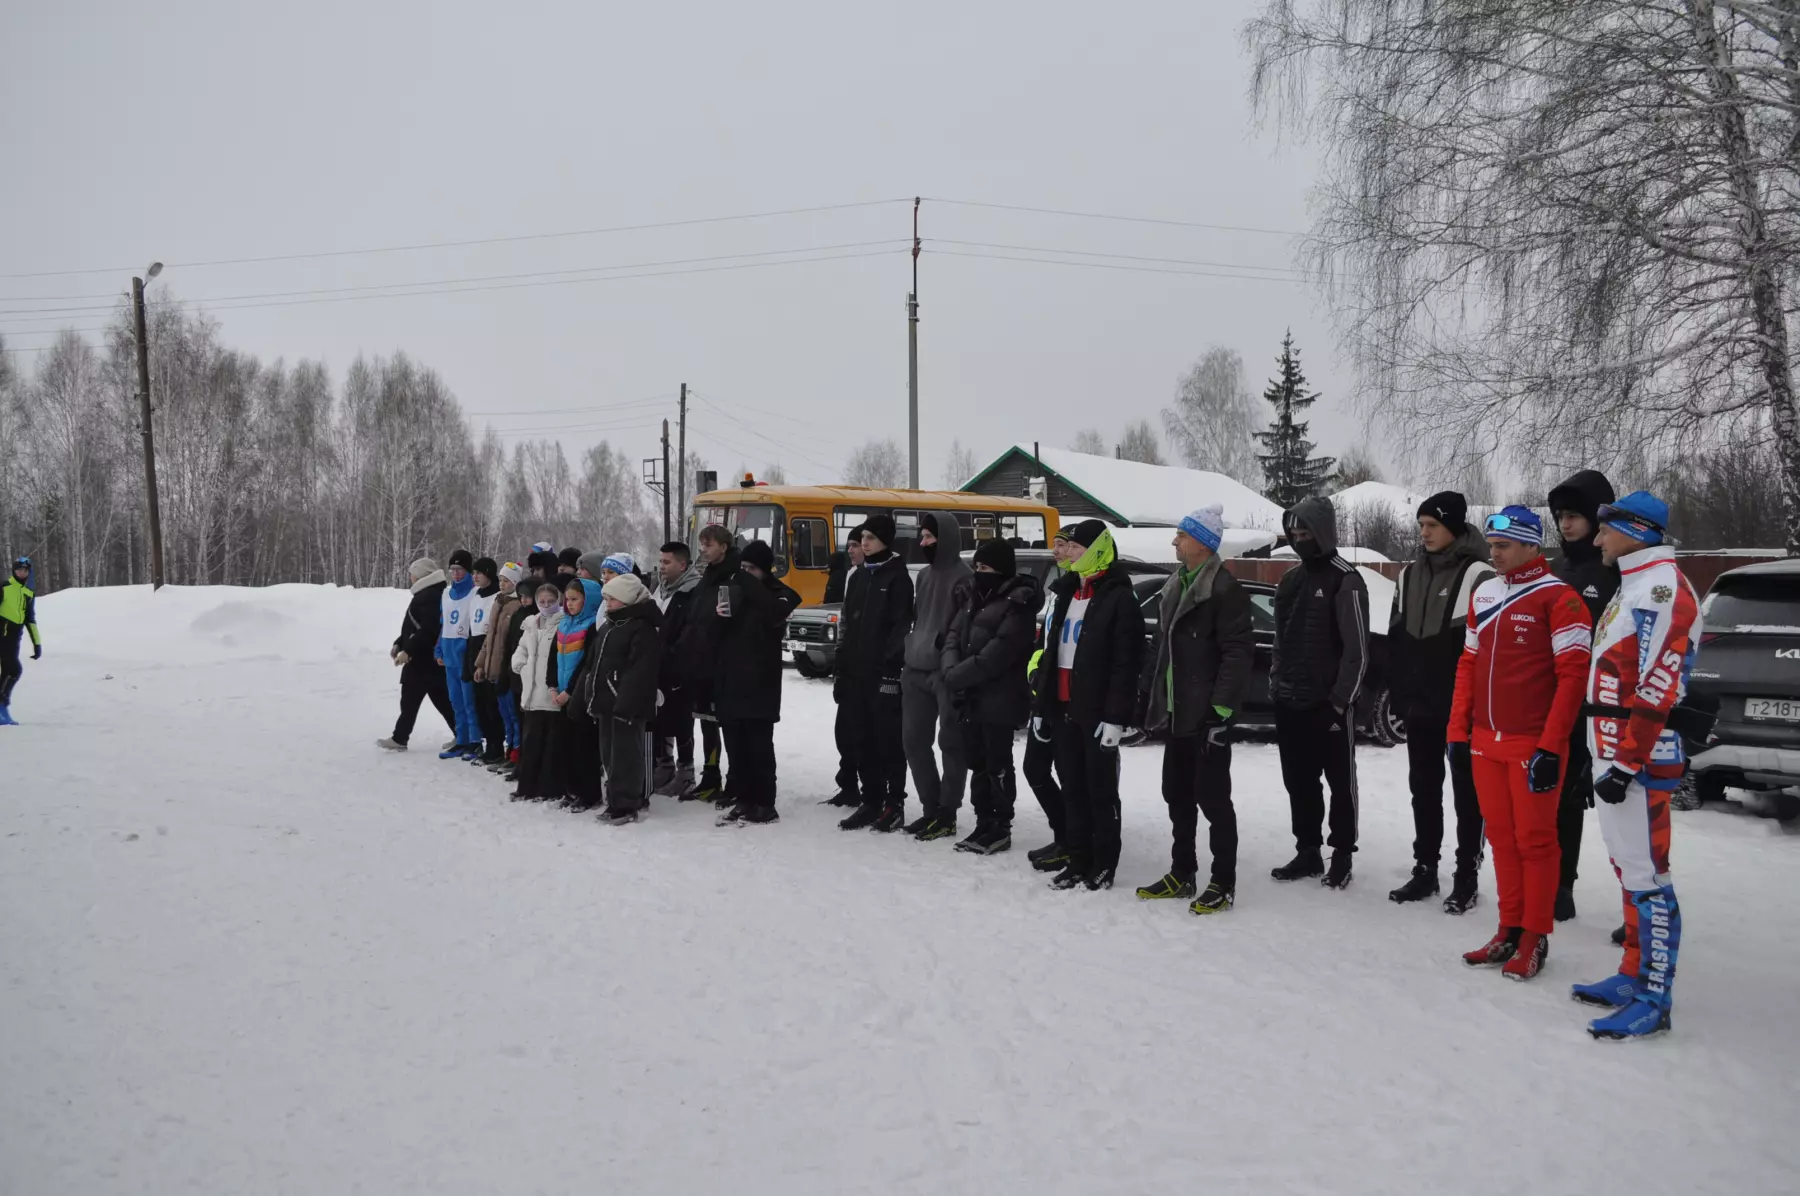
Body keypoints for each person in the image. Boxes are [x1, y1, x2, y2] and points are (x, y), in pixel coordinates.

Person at [1572, 491, 1700, 1040]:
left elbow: (1658, 684)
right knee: (1629, 870)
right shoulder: (1635, 582)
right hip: (1614, 751)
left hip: (1641, 761)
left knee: (1650, 877)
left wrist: (1625, 763)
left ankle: (1655, 997)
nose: (1597, 538)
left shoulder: (1662, 588)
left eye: (1606, 529)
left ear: (1635, 531)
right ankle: (1632, 974)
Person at [1449, 507, 1592, 982]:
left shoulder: (1561, 598)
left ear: (1532, 545)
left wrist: (1551, 747)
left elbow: (1573, 678)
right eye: (1491, 545)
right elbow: (1468, 664)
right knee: (1501, 838)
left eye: (1503, 546)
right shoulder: (1485, 592)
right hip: (1485, 741)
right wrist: (1457, 731)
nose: (1494, 553)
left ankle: (1534, 936)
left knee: (1536, 841)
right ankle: (1508, 929)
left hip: (1532, 744)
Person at [1136, 505, 1254, 913]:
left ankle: (1223, 881)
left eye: (1182, 536)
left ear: (1202, 543)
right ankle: (1182, 872)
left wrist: (1220, 710)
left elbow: (1238, 653)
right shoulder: (1176, 585)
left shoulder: (1223, 589)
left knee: (1214, 800)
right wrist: (1147, 695)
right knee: (1177, 794)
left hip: (1206, 715)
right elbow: (1161, 648)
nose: (1175, 541)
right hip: (1177, 712)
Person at [1386, 492, 1495, 913]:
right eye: (1421, 525)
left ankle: (1466, 875)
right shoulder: (1407, 575)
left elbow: (1489, 650)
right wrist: (1400, 695)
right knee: (1424, 790)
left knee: (1468, 796)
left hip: (1462, 710)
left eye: (1432, 525)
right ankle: (1425, 869)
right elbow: (1396, 640)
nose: (1424, 533)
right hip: (1420, 707)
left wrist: (1475, 707)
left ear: (1453, 526)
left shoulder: (1480, 575)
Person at [1030, 520, 1143, 891]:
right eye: (1072, 547)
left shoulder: (1119, 598)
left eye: (1078, 548)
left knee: (1100, 792)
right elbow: (1051, 653)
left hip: (1096, 711)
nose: (1071, 553)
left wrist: (1115, 718)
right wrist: (1042, 707)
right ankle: (1078, 859)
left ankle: (1104, 863)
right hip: (1063, 708)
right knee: (1073, 788)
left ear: (1097, 550)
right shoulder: (1066, 592)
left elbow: (1126, 664)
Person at [1269, 498, 1369, 890]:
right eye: (1294, 534)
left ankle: (1342, 853)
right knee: (1299, 782)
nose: (1299, 540)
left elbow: (1357, 651)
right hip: (1290, 702)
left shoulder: (1347, 579)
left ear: (1322, 532)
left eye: (1305, 533)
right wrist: (1277, 685)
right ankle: (1308, 849)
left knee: (1341, 783)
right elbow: (1281, 641)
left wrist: (1340, 701)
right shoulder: (1291, 580)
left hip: (1329, 706)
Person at [1547, 470, 1620, 923]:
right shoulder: (1555, 570)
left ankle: (1572, 887)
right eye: (1560, 516)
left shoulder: (1614, 572)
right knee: (1553, 795)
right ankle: (1554, 882)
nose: (1566, 524)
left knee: (1583, 798)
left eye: (1574, 515)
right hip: (1550, 701)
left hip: (1595, 707)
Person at [941, 538, 1041, 854]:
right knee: (977, 761)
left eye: (985, 567)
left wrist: (956, 675)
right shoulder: (973, 596)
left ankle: (1000, 825)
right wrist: (950, 668)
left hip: (1001, 697)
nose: (979, 573)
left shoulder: (1018, 604)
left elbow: (998, 654)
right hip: (970, 695)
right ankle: (983, 820)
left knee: (997, 763)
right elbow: (953, 635)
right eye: (976, 567)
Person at [836, 516, 916, 832]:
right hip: (855, 673)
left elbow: (900, 627)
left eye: (870, 537)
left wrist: (891, 672)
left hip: (882, 675)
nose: (864, 543)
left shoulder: (897, 578)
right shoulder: (858, 576)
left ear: (885, 540)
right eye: (862, 537)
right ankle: (870, 800)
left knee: (888, 741)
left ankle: (894, 803)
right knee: (861, 738)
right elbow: (848, 625)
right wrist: (841, 668)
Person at [714, 539, 802, 824]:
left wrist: (746, 583)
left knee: (759, 745)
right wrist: (719, 617)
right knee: (736, 745)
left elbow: (773, 613)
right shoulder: (736, 592)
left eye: (751, 568)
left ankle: (765, 803)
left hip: (761, 681)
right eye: (742, 568)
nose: (745, 574)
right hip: (732, 678)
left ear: (765, 570)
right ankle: (744, 798)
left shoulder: (780, 594)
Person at [901, 512, 972, 840]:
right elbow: (920, 618)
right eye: (922, 536)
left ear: (946, 539)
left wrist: (951, 666)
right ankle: (930, 808)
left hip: (946, 673)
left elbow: (963, 629)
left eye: (929, 537)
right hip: (915, 668)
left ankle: (947, 812)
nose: (923, 542)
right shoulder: (924, 576)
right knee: (914, 741)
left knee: (951, 744)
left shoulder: (965, 578)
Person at [1023, 526, 1079, 872]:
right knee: (1035, 768)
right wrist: (1035, 674)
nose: (1056, 551)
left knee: (1071, 776)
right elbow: (1044, 646)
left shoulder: (1085, 594)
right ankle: (1065, 835)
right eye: (1055, 544)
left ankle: (1075, 841)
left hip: (1071, 702)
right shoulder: (1058, 592)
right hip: (1046, 696)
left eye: (1063, 545)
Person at [585, 573, 662, 825]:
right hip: (606, 702)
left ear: (627, 599)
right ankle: (615, 799)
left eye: (612, 599)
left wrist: (626, 703)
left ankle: (627, 804)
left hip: (627, 705)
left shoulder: (642, 628)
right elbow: (593, 665)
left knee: (626, 755)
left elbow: (641, 670)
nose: (607, 604)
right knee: (609, 755)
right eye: (606, 599)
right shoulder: (609, 626)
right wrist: (588, 695)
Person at [676, 526, 745, 809]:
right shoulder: (707, 576)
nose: (703, 549)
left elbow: (730, 621)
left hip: (724, 664)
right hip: (701, 662)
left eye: (708, 545)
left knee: (728, 725)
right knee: (706, 721)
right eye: (701, 544)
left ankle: (736, 782)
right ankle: (711, 778)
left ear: (724, 547)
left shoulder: (735, 576)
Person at [378, 558, 455, 750]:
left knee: (418, 699)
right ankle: (462, 734)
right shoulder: (429, 593)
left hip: (423, 658)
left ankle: (400, 738)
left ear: (421, 575)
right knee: (435, 699)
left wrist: (408, 649)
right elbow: (414, 627)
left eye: (412, 573)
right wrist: (399, 643)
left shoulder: (429, 596)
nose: (410, 576)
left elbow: (429, 630)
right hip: (425, 659)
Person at [651, 541, 703, 796]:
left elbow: (692, 632)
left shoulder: (692, 591)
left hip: (681, 668)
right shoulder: (660, 588)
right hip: (658, 664)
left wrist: (673, 654)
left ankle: (686, 771)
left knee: (682, 720)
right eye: (660, 561)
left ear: (682, 565)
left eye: (666, 562)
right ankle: (664, 765)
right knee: (661, 716)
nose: (661, 566)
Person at [509, 582, 569, 801]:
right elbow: (522, 648)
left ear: (558, 601)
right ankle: (527, 787)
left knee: (551, 745)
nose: (546, 605)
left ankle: (548, 788)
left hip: (551, 692)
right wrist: (520, 665)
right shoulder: (531, 623)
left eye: (550, 601)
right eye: (542, 601)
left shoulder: (563, 623)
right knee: (531, 743)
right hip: (532, 692)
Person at [550, 576, 604, 811]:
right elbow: (553, 657)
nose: (569, 604)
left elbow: (586, 664)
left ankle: (589, 794)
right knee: (566, 745)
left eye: (575, 599)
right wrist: (552, 685)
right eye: (567, 599)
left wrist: (570, 691)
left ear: (588, 600)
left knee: (584, 747)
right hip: (561, 695)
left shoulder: (592, 626)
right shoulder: (564, 623)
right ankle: (570, 789)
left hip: (581, 696)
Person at [823, 526, 868, 807]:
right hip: (849, 662)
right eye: (849, 545)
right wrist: (840, 656)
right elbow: (846, 620)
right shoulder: (852, 574)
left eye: (855, 545)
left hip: (867, 666)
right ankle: (848, 784)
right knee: (844, 730)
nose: (850, 550)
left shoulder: (877, 577)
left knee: (863, 732)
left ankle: (870, 789)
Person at [475, 562, 526, 769]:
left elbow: (510, 641)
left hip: (507, 669)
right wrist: (481, 664)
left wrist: (509, 669)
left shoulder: (517, 605)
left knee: (513, 714)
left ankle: (516, 753)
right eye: (501, 580)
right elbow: (490, 637)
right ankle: (506, 751)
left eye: (507, 581)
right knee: (502, 713)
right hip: (493, 668)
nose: (502, 584)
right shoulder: (498, 601)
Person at [436, 549, 483, 759]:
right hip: (449, 655)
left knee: (469, 702)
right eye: (453, 569)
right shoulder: (446, 593)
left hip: (465, 655)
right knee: (455, 701)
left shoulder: (475, 593)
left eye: (460, 570)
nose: (456, 574)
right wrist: (438, 648)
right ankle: (461, 740)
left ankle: (475, 741)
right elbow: (443, 624)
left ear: (468, 571)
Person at [465, 557, 507, 766]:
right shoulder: (475, 595)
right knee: (479, 703)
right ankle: (488, 744)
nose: (475, 576)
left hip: (488, 648)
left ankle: (496, 747)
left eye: (479, 573)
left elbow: (492, 631)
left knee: (491, 705)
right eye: (473, 573)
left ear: (489, 573)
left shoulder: (497, 596)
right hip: (475, 646)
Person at [1, 555, 43, 726]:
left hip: (15, 637)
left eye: (25, 570)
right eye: (19, 570)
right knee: (12, 668)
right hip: (2, 635)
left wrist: (37, 643)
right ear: (14, 571)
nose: (21, 573)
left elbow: (30, 620)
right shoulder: (4, 587)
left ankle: (3, 707)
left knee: (12, 671)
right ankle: (1, 706)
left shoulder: (28, 593)